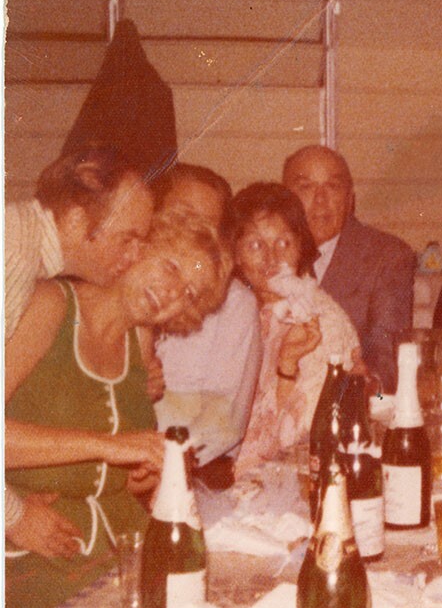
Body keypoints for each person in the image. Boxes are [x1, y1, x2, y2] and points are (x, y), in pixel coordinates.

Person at [5, 212, 231, 608]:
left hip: (120, 556)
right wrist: (110, 445)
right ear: (137, 249)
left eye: (189, 293)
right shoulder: (52, 304)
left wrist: (148, 473)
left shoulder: (140, 343)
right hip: (39, 556)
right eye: (171, 266)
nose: (172, 293)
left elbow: (118, 480)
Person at [4, 144, 155, 560]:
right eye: (128, 238)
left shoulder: (21, 241)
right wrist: (13, 516)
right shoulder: (13, 259)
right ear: (73, 220)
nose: (135, 255)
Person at [224, 183, 360, 478]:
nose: (272, 258)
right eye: (255, 245)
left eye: (284, 243)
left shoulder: (320, 320)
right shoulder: (238, 312)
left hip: (283, 480)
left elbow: (303, 438)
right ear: (235, 254)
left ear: (301, 246)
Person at [152, 164, 263, 481]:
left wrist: (157, 468)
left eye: (207, 224)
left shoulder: (234, 304)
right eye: (182, 215)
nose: (192, 233)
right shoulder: (126, 286)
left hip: (191, 472)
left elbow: (223, 425)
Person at [282, 145, 416, 392]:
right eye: (306, 187)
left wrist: (369, 381)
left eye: (333, 187)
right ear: (285, 198)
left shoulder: (386, 257)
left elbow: (386, 354)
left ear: (350, 198)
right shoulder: (266, 256)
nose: (320, 200)